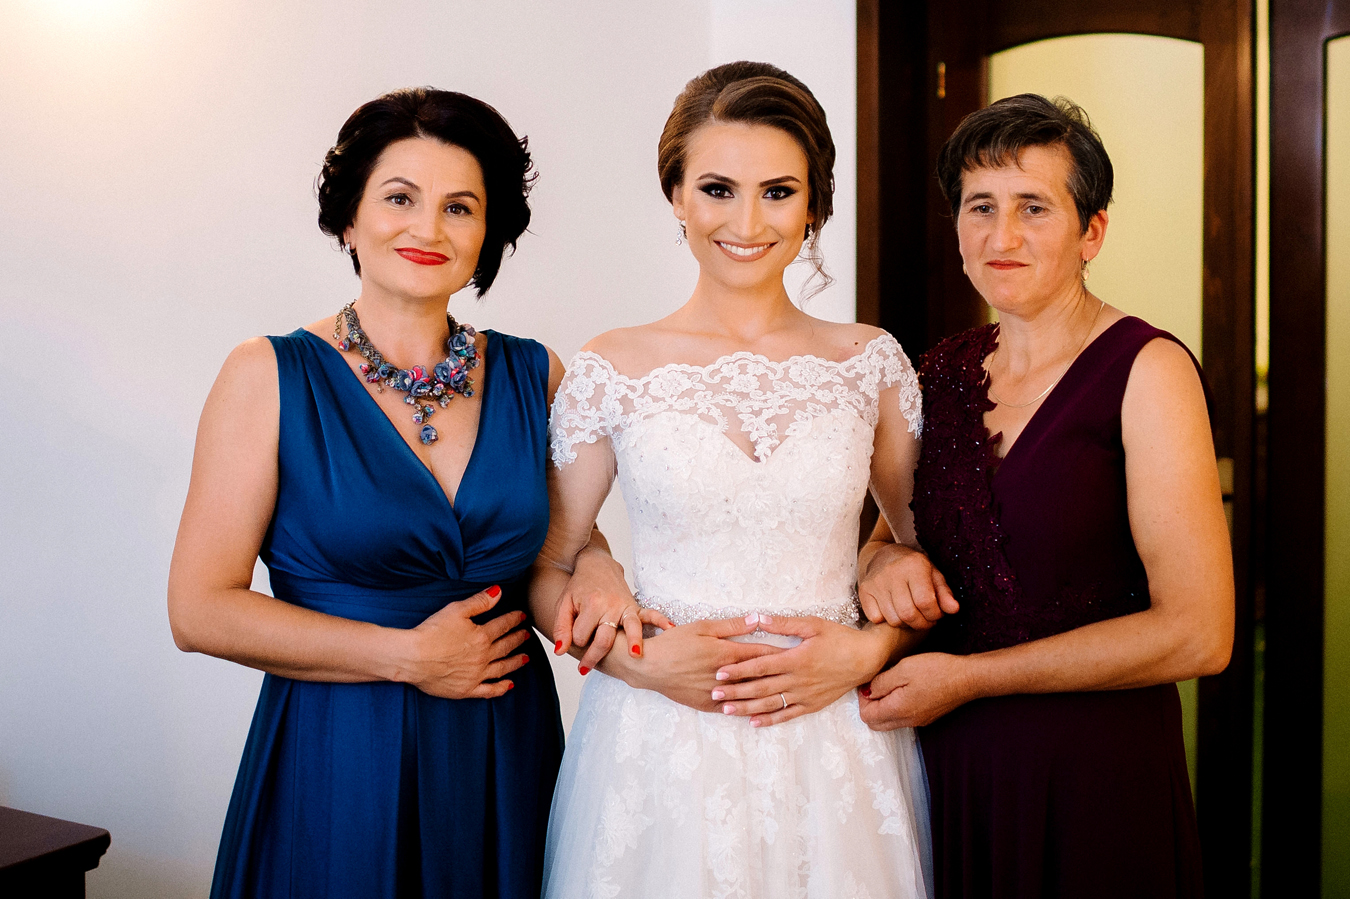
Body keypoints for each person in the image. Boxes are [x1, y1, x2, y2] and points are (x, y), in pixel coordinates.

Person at [167, 87, 630, 899]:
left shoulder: (536, 373)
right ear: (349, 219)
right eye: (400, 198)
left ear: (487, 233)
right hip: (340, 749)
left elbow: (563, 536)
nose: (429, 228)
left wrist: (597, 563)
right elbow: (198, 608)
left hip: (503, 747)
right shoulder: (268, 375)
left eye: (459, 207)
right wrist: (408, 656)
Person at [532, 61, 936, 898]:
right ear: (676, 196)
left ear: (815, 205)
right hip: (660, 739)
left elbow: (923, 556)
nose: (747, 222)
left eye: (778, 192)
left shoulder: (871, 362)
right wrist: (641, 664)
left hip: (835, 734)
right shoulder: (613, 365)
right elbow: (549, 564)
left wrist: (871, 644)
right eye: (718, 189)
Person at [857, 94, 1234, 898]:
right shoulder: (938, 374)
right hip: (952, 771)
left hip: (1093, 778)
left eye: (1034, 207)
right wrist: (878, 563)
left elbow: (1200, 634)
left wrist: (970, 679)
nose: (1003, 237)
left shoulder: (1148, 370)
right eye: (980, 207)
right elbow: (898, 533)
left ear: (1092, 232)